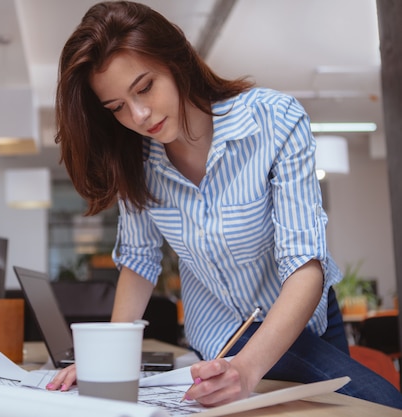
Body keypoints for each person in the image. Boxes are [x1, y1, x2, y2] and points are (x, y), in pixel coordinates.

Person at [46, 0, 402, 410]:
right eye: (117, 108)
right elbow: (139, 260)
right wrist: (104, 362)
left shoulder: (274, 121)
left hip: (301, 314)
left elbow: (304, 262)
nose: (139, 115)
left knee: (382, 404)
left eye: (144, 87)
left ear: (176, 60)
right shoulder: (137, 161)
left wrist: (247, 370)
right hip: (223, 334)